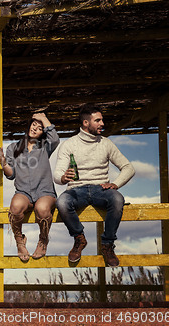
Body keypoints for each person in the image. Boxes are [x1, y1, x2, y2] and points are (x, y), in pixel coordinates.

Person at [54, 104, 135, 267]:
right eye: (97, 120)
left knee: (117, 200)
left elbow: (129, 168)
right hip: (76, 189)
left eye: (102, 120)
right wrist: (63, 178)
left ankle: (107, 244)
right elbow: (56, 175)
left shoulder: (106, 144)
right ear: (85, 123)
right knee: (62, 202)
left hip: (101, 189)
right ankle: (79, 239)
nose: (102, 123)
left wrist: (115, 184)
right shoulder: (69, 144)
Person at [0, 113, 59, 262]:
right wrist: (3, 162)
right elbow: (11, 175)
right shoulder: (13, 148)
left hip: (44, 191)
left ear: (43, 132)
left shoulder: (45, 146)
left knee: (42, 209)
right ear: (29, 125)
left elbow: (55, 138)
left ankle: (43, 240)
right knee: (16, 206)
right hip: (23, 192)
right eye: (33, 125)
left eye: (39, 127)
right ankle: (20, 241)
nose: (35, 128)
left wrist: (43, 117)